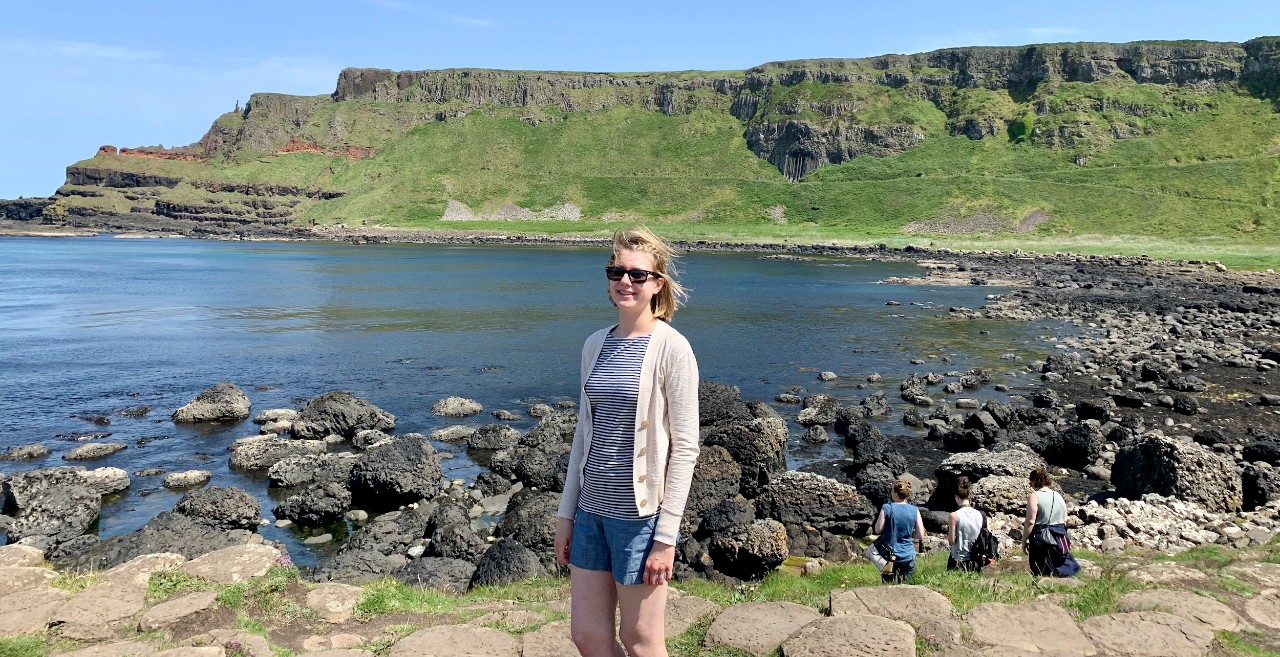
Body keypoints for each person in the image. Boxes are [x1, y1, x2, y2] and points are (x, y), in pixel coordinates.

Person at [553, 226, 700, 657]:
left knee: (641, 641)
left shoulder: (673, 348)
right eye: (616, 272)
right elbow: (584, 434)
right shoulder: (594, 344)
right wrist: (566, 515)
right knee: (587, 636)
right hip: (591, 513)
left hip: (641, 520)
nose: (625, 281)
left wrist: (666, 537)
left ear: (658, 284)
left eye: (638, 274)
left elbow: (686, 447)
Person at [1022, 467, 1077, 577]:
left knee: (1041, 570)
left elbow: (1030, 521)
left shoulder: (1034, 496)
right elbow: (1065, 519)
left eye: (1030, 481)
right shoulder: (1058, 495)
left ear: (1035, 480)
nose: (1030, 484)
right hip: (1060, 535)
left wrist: (1024, 540)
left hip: (1041, 536)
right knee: (1059, 566)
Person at [874, 479, 925, 583]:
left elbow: (878, 530)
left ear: (896, 494)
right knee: (906, 587)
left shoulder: (886, 508)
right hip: (908, 555)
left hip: (889, 555)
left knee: (887, 587)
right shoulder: (914, 510)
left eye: (892, 490)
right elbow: (920, 535)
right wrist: (909, 534)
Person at [946, 476, 984, 572]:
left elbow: (951, 541)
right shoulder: (981, 514)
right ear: (969, 495)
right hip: (976, 559)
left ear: (956, 496)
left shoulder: (954, 515)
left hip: (958, 559)